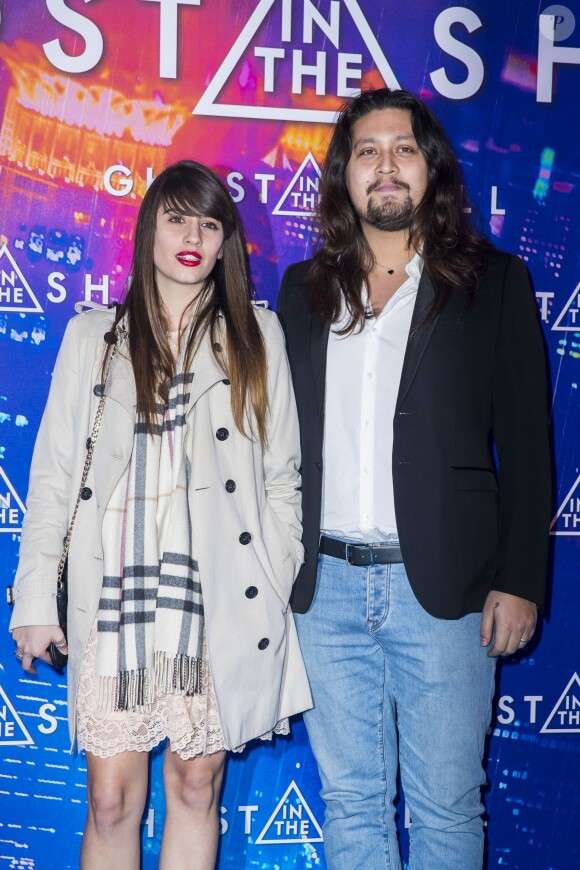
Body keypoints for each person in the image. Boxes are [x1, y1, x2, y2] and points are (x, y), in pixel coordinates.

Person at [276, 88, 551, 870]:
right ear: (345, 178)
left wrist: (520, 580)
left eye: (402, 149)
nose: (385, 166)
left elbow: (530, 450)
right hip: (322, 589)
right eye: (366, 151)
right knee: (352, 804)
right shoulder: (303, 291)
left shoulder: (493, 284)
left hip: (449, 594)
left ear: (430, 169)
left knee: (446, 807)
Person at [10, 160, 312, 870]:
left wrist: (278, 570)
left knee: (197, 782)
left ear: (224, 243)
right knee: (111, 798)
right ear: (149, 230)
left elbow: (283, 475)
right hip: (115, 592)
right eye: (177, 218)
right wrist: (32, 596)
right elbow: (53, 476)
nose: (193, 237)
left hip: (217, 596)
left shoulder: (256, 337)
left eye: (210, 224)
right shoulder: (95, 336)